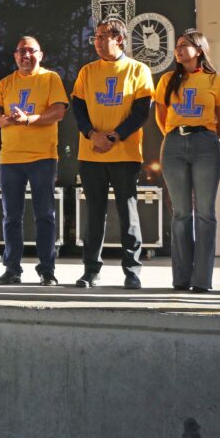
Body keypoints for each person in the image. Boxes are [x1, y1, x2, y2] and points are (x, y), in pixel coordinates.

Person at [71, 18, 154, 289]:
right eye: (95, 36)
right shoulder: (87, 71)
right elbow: (78, 109)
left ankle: (132, 271)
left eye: (102, 36)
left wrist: (114, 136)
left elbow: (141, 112)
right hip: (91, 153)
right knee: (94, 214)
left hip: (125, 154)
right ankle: (90, 271)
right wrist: (92, 134)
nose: (96, 41)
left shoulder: (138, 70)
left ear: (119, 39)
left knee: (128, 213)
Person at [0, 38, 69, 285]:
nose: (26, 55)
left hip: (43, 157)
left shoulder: (51, 78)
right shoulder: (5, 83)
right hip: (10, 158)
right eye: (21, 51)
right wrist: (8, 120)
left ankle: (47, 270)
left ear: (40, 55)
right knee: (11, 217)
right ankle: (12, 269)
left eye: (31, 51)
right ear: (15, 56)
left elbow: (58, 112)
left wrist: (28, 119)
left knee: (44, 215)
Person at [154, 30, 220, 292]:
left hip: (205, 144)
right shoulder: (167, 80)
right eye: (177, 46)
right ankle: (181, 278)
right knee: (181, 213)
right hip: (174, 144)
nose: (178, 49)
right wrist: (175, 136)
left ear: (199, 50)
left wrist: (205, 139)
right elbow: (161, 115)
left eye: (184, 45)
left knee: (205, 213)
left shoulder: (214, 79)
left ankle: (201, 280)